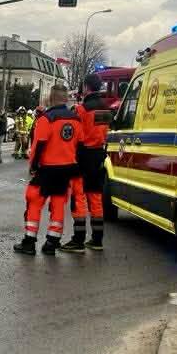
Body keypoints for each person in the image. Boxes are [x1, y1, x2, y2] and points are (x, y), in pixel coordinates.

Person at [14, 86, 83, 256]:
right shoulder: (76, 119)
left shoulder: (47, 119)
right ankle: (52, 243)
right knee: (58, 204)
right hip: (67, 169)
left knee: (34, 201)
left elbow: (39, 145)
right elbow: (80, 146)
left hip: (47, 168)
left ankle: (29, 242)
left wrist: (33, 166)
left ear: (50, 99)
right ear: (66, 99)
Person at [61, 74, 111, 253]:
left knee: (79, 197)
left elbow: (74, 134)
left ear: (86, 87)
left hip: (83, 156)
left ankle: (78, 240)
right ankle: (97, 239)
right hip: (99, 156)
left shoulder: (82, 109)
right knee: (96, 197)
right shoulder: (106, 109)